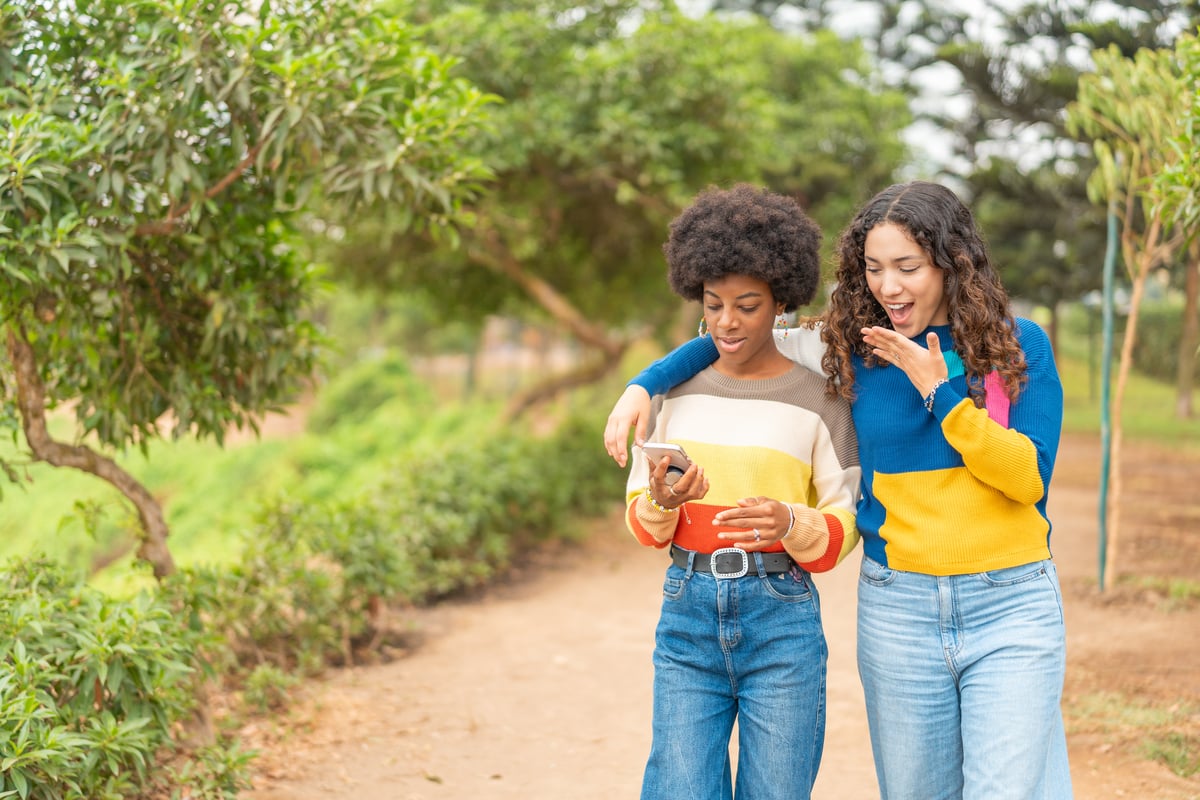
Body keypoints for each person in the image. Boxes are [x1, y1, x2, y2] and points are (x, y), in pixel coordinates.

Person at [605, 180, 1072, 800]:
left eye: (907, 267)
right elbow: (735, 332)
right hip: (899, 605)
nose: (889, 286)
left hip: (1007, 599)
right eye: (874, 268)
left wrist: (941, 393)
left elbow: (1027, 478)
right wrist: (644, 384)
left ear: (951, 263)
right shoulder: (849, 347)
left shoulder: (1016, 344)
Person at [624, 182, 861, 800]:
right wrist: (662, 503)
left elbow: (840, 533)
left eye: (747, 305)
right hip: (687, 613)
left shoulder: (822, 400)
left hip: (781, 619)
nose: (726, 322)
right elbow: (642, 524)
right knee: (679, 788)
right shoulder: (670, 395)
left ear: (780, 302)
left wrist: (789, 522)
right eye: (713, 303)